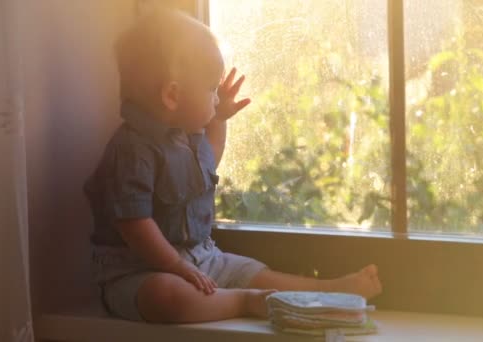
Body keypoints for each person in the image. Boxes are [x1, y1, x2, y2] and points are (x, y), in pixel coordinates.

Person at [84, 8, 382, 324]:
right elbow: (135, 224)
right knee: (168, 298)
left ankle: (328, 291)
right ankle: (243, 302)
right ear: (172, 95)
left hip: (202, 257)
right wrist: (176, 266)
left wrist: (220, 118)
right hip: (138, 271)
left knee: (253, 271)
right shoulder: (131, 150)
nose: (215, 98)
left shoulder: (188, 138)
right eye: (211, 89)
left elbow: (210, 156)